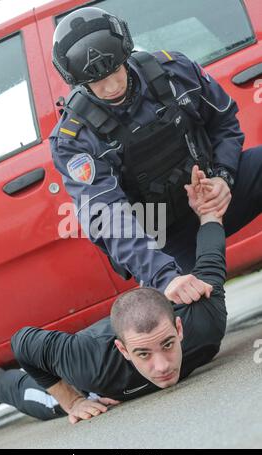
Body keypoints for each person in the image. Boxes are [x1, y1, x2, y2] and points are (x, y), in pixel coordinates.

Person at [0, 167, 227, 435]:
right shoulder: (89, 364)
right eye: (143, 354)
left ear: (179, 329)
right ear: (124, 350)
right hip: (87, 382)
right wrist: (73, 400)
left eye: (168, 344)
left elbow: (210, 256)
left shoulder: (206, 320)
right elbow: (23, 343)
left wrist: (207, 211)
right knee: (42, 402)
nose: (161, 366)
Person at [49, 6, 262, 304]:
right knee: (197, 328)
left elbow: (224, 123)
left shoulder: (174, 71)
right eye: (97, 83)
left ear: (125, 54)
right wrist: (166, 277)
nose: (110, 87)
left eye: (114, 72)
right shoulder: (74, 139)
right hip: (162, 240)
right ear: (78, 81)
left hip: (213, 195)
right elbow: (108, 218)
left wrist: (224, 177)